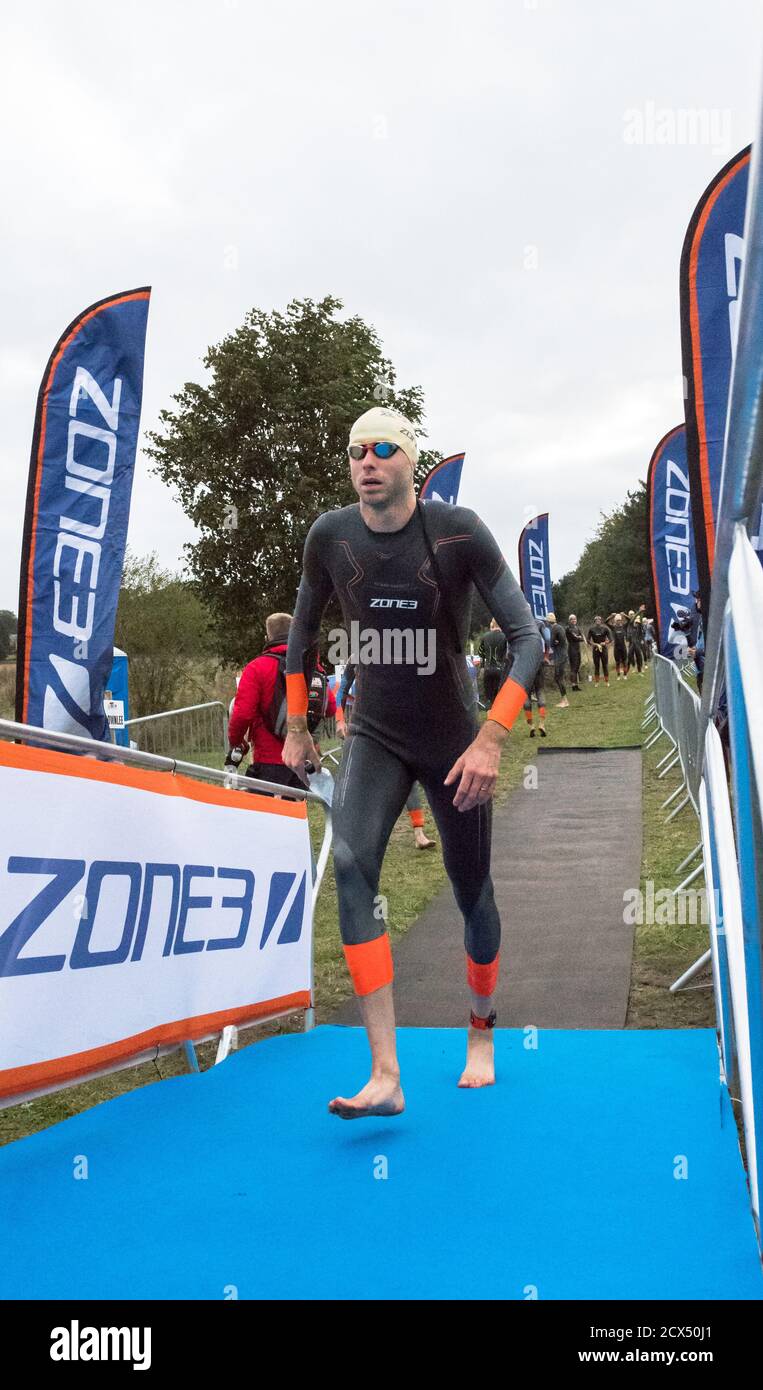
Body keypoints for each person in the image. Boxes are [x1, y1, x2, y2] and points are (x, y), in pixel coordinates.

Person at [282, 406, 543, 1117]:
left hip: (455, 738)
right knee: (350, 863)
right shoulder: (330, 535)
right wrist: (297, 724)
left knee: (471, 891)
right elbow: (301, 635)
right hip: (376, 732)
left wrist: (492, 738)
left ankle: (481, 1029)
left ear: (410, 461)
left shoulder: (458, 532)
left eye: (381, 449)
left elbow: (528, 639)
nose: (366, 462)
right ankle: (386, 1074)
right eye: (354, 451)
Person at [227, 612, 336, 789]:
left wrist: (236, 742)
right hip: (302, 763)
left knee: (265, 807)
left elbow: (242, 714)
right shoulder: (312, 667)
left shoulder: (257, 667)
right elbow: (330, 708)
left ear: (267, 638)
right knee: (296, 807)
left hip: (268, 761)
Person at [337, 661, 435, 850]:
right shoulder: (355, 658)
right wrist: (340, 721)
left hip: (399, 727)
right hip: (366, 730)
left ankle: (419, 833)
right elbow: (341, 691)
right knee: (363, 783)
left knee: (409, 777)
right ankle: (359, 835)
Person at [523, 619, 548, 736]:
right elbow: (548, 638)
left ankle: (531, 725)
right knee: (540, 691)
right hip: (538, 660)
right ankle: (542, 724)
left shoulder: (519, 624)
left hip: (525, 663)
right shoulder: (539, 624)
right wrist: (546, 655)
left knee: (525, 694)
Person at [479, 619, 509, 708]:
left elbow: (481, 654)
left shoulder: (485, 636)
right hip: (500, 669)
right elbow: (507, 655)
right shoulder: (505, 637)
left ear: (492, 625)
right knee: (499, 694)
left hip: (488, 669)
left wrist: (482, 667)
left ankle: (490, 711)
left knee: (489, 695)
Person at [546, 612, 569, 708]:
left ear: (548, 621)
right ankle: (564, 699)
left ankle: (565, 701)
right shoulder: (560, 627)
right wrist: (556, 642)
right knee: (558, 677)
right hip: (563, 654)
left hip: (560, 656)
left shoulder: (554, 629)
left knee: (559, 678)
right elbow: (560, 641)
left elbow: (551, 643)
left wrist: (555, 642)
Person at [687, 592, 704, 694]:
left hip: (709, 669)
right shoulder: (702, 617)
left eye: (699, 599)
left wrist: (697, 651)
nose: (697, 602)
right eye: (697, 600)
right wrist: (694, 649)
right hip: (700, 668)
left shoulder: (712, 619)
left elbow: (716, 646)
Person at [587, 616, 611, 686]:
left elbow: (610, 639)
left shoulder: (605, 629)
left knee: (605, 665)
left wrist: (605, 642)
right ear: (594, 621)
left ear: (601, 621)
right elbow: (588, 640)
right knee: (596, 665)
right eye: (596, 620)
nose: (598, 621)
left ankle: (607, 681)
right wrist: (594, 644)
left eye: (599, 620)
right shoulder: (591, 629)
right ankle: (597, 682)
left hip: (603, 649)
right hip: (596, 649)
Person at [564, 614, 586, 691]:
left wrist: (580, 637)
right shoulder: (568, 628)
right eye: (572, 619)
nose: (574, 620)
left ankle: (576, 685)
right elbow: (575, 638)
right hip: (572, 649)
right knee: (573, 668)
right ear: (569, 620)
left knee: (577, 667)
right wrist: (579, 637)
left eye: (575, 619)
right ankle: (573, 686)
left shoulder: (577, 628)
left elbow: (582, 637)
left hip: (577, 649)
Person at [610, 612, 628, 680]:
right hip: (616, 647)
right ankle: (618, 675)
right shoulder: (613, 627)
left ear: (621, 620)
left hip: (623, 647)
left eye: (619, 620)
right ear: (615, 621)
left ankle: (625, 675)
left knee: (624, 661)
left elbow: (629, 620)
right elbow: (606, 622)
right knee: (617, 662)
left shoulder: (623, 626)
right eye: (617, 620)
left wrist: (624, 615)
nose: (618, 621)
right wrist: (611, 616)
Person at [626, 610, 644, 676]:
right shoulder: (630, 624)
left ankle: (640, 671)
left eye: (637, 623)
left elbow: (641, 633)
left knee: (639, 657)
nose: (636, 624)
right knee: (629, 656)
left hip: (637, 644)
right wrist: (639, 611)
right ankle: (628, 669)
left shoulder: (639, 626)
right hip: (631, 644)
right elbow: (631, 620)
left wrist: (641, 612)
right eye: (631, 614)